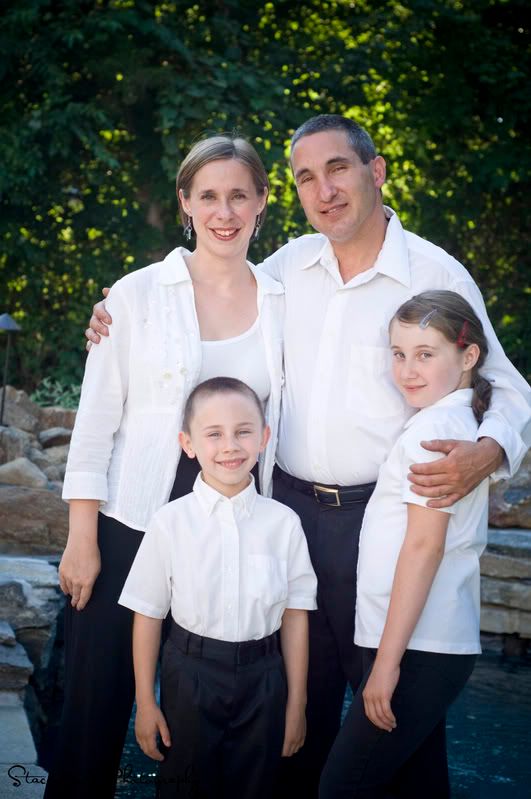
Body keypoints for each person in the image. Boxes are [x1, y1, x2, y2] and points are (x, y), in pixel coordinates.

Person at [86, 115, 531, 797]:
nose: (324, 190)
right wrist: (120, 314)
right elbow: (210, 290)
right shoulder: (288, 267)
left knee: (393, 716)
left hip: (380, 522)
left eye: (338, 169)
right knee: (295, 709)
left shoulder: (434, 272)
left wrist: (488, 450)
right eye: (305, 178)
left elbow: (507, 385)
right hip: (288, 511)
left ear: (376, 171)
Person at [44, 135, 285, 799]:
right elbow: (96, 422)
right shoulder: (135, 295)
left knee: (200, 721)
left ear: (261, 202)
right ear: (185, 202)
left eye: (238, 195)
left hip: (225, 532)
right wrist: (82, 538)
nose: (224, 212)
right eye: (208, 195)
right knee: (92, 713)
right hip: (130, 523)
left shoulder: (283, 300)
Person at [319, 290, 492, 798]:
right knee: (417, 785)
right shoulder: (446, 421)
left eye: (425, 354)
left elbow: (423, 549)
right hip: (424, 643)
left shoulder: (435, 433)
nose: (408, 370)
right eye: (398, 353)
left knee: (341, 786)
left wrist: (386, 665)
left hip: (417, 647)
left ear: (468, 356)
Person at [118, 377, 317, 799]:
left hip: (265, 679)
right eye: (214, 434)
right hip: (190, 676)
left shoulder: (283, 524)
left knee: (257, 788)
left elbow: (296, 616)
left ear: (263, 438)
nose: (230, 446)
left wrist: (296, 703)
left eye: (243, 432)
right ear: (187, 444)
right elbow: (147, 614)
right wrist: (145, 703)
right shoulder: (169, 523)